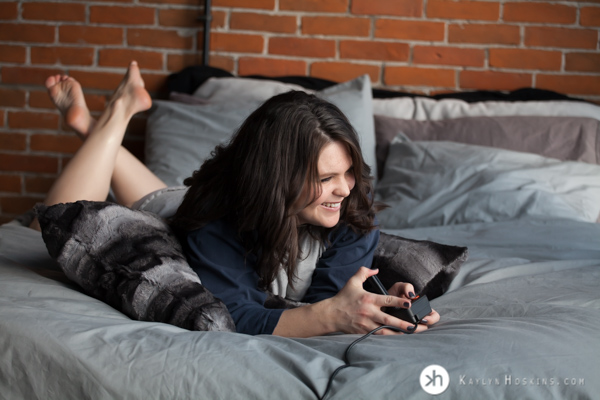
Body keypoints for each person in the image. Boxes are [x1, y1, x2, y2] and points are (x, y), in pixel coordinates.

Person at [32, 61, 440, 337]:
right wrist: (329, 316)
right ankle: (117, 115)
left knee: (154, 191)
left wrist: (376, 304)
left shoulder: (350, 212)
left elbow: (330, 302)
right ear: (276, 178)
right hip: (176, 210)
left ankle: (93, 124)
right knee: (42, 225)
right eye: (325, 177)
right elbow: (236, 315)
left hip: (188, 196)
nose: (346, 188)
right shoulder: (216, 222)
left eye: (349, 171)